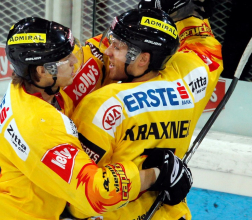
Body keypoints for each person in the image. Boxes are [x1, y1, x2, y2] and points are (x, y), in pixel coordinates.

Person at [0, 17, 189, 220]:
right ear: (42, 71)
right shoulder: (39, 125)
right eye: (66, 59)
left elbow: (102, 50)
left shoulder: (38, 88)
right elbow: (95, 192)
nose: (75, 61)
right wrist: (156, 174)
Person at [68, 0, 223, 219]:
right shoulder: (187, 78)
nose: (108, 51)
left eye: (118, 47)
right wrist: (186, 16)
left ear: (143, 59)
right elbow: (206, 48)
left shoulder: (103, 105)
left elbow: (81, 196)